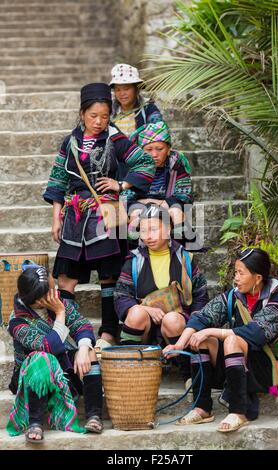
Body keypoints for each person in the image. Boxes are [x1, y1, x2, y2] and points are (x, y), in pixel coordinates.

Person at [43, 82, 156, 349]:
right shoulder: (70, 143)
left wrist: (122, 185)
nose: (99, 121)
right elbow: (58, 180)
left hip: (106, 216)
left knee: (108, 276)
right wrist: (56, 217)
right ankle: (67, 331)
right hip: (76, 217)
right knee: (66, 278)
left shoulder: (115, 138)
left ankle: (108, 332)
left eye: (105, 116)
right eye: (93, 116)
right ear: (82, 114)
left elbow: (145, 162)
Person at [164, 248, 278, 432]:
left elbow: (256, 333)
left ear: (257, 278)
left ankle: (239, 411)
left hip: (268, 366)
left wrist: (211, 331)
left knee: (231, 340)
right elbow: (202, 317)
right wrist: (179, 344)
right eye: (235, 272)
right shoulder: (234, 295)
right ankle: (202, 408)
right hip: (239, 363)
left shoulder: (276, 298)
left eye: (241, 273)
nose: (236, 278)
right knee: (201, 340)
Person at [114, 204, 209, 385]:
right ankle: (132, 369)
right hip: (146, 330)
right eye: (143, 231)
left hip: (178, 329)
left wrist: (195, 324)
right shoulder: (135, 261)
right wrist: (147, 310)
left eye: (154, 229)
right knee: (135, 313)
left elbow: (200, 296)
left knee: (172, 319)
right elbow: (120, 296)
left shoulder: (185, 259)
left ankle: (188, 373)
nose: (147, 236)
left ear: (168, 229)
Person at [6, 265, 103, 443]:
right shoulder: (17, 321)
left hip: (62, 368)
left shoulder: (56, 301)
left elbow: (83, 326)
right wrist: (59, 314)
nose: (55, 291)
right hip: (31, 377)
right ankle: (34, 422)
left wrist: (82, 348)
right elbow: (47, 347)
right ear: (38, 299)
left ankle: (94, 416)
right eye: (51, 289)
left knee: (89, 352)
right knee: (41, 358)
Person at [126, 121, 195, 248]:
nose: (154, 154)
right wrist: (149, 204)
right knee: (135, 215)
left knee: (177, 212)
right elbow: (126, 196)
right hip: (138, 207)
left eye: (159, 149)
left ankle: (178, 251)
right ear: (141, 151)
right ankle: (134, 254)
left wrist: (157, 202)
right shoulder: (133, 165)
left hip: (168, 205)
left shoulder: (177, 163)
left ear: (168, 149)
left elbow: (184, 195)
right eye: (148, 149)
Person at [110, 63, 163, 141]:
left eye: (126, 89)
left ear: (136, 89)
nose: (122, 93)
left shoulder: (148, 109)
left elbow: (158, 132)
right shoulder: (110, 111)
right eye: (117, 90)